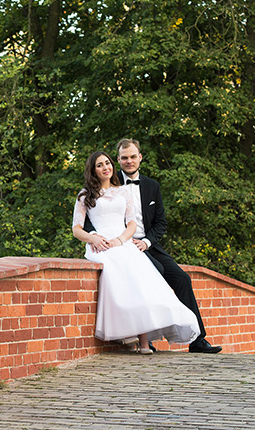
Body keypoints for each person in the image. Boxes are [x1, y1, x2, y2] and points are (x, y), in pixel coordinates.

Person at [85, 139, 222, 354]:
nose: (128, 161)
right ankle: (144, 336)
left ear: (140, 157)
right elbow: (88, 217)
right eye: (124, 158)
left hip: (147, 244)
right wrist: (95, 237)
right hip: (121, 245)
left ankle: (197, 340)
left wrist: (147, 241)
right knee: (151, 273)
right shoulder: (108, 182)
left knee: (183, 279)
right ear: (117, 160)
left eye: (132, 157)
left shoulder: (152, 186)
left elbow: (160, 223)